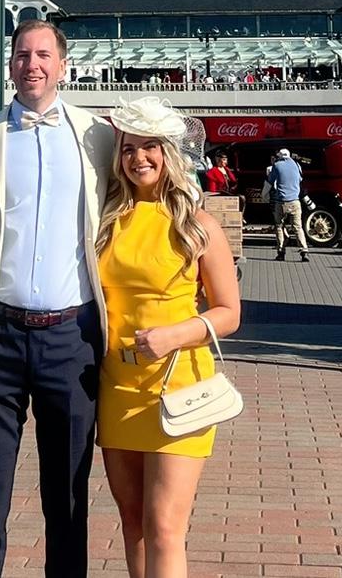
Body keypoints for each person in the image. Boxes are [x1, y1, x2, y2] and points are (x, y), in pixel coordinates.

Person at [0, 18, 114, 578]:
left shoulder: (98, 138)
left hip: (72, 339)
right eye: (21, 54)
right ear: (10, 63)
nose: (31, 64)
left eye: (43, 54)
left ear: (63, 65)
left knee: (68, 494)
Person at [97, 98, 241, 578]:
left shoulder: (197, 225)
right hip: (117, 387)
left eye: (150, 147)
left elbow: (229, 314)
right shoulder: (104, 220)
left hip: (179, 388)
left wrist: (176, 335)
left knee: (163, 527)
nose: (138, 158)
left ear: (170, 152)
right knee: (133, 521)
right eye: (128, 148)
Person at [266, 148, 308, 262]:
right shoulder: (296, 165)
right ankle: (304, 251)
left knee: (279, 226)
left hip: (281, 201)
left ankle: (281, 252)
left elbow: (270, 181)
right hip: (295, 201)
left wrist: (264, 195)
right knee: (298, 227)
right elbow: (300, 179)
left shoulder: (277, 165)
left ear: (279, 156)